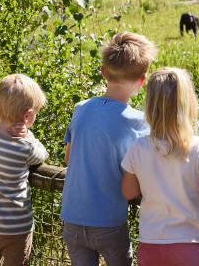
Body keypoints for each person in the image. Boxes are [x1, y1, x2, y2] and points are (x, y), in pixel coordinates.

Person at [60, 31, 158, 266]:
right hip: (109, 222)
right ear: (142, 80)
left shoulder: (81, 108)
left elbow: (68, 158)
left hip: (72, 219)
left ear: (103, 72)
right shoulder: (139, 122)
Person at [121, 67, 199, 266]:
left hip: (150, 244)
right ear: (187, 105)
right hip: (187, 246)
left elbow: (128, 192)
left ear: (150, 106)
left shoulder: (138, 147)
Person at [0, 73, 49, 266]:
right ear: (28, 115)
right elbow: (42, 154)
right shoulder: (24, 147)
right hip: (16, 229)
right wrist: (28, 135)